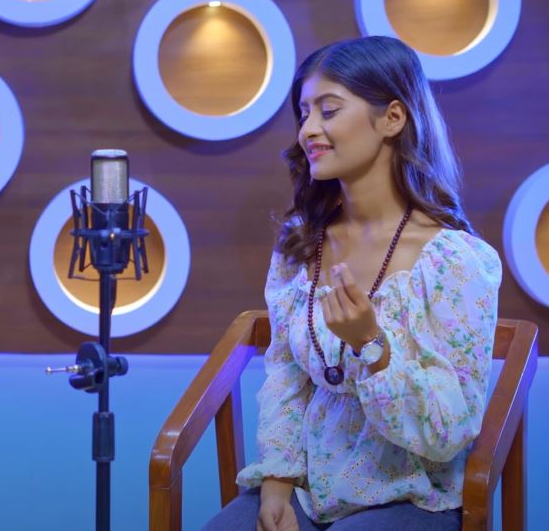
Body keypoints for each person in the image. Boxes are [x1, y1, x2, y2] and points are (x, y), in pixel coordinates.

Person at [202, 36, 502, 531]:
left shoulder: (457, 261)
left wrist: (371, 345)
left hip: (410, 495)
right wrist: (277, 480)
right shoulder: (301, 244)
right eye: (304, 113)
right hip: (308, 488)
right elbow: (285, 376)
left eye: (329, 110)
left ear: (393, 118)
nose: (308, 130)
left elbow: (450, 431)